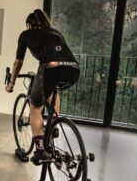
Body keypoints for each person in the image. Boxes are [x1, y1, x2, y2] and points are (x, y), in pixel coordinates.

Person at [5, 9, 80, 165]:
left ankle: (40, 150)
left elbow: (18, 63)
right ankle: (54, 124)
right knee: (53, 91)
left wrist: (10, 84)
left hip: (50, 68)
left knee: (35, 107)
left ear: (29, 25)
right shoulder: (56, 33)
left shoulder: (26, 35)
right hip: (73, 69)